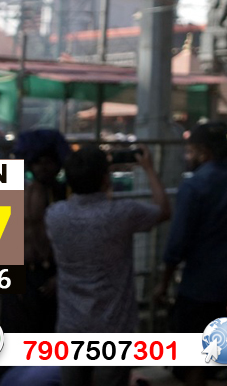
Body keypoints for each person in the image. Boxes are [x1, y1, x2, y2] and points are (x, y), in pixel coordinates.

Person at [46, 145, 171, 386]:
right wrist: (148, 169)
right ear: (106, 178)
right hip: (114, 327)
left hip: (71, 325)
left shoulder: (54, 215)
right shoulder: (122, 213)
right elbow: (164, 210)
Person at [153, 122, 227, 386]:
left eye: (190, 151)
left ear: (204, 151)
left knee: (194, 362)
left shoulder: (194, 186)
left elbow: (178, 242)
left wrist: (163, 283)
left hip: (199, 288)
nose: (188, 157)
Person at [3, 129, 71, 336]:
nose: (43, 167)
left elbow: (75, 241)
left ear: (58, 164)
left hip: (53, 274)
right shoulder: (15, 192)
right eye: (38, 162)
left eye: (49, 162)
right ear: (30, 163)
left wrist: (61, 276)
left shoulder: (66, 195)